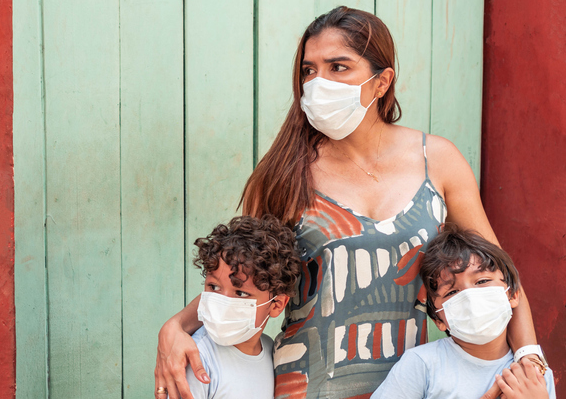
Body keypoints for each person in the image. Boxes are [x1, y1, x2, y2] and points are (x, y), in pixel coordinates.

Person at [155, 6, 540, 399]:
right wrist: (176, 326)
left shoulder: (438, 160)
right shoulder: (284, 172)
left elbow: (502, 273)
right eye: (309, 70)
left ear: (381, 82)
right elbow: (241, 274)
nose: (319, 82)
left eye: (338, 67)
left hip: (419, 384)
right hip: (305, 385)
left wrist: (530, 358)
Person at [371, 225, 555, 398]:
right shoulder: (421, 364)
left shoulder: (534, 373)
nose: (469, 297)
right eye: (452, 292)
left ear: (513, 294)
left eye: (482, 281)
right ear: (438, 319)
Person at [159, 216, 301, 399]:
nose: (222, 303)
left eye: (240, 293)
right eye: (214, 287)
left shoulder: (271, 351)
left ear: (277, 304)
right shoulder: (197, 358)